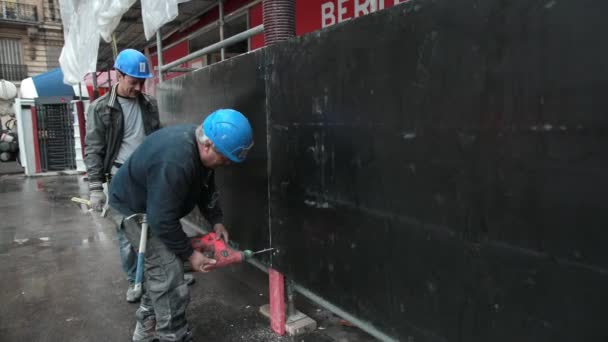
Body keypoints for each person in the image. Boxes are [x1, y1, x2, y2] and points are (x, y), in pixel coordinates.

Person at [108, 109, 254, 342]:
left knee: (161, 270)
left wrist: (216, 220)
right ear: (208, 146)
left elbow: (206, 186)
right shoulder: (176, 160)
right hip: (131, 207)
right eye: (226, 157)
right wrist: (190, 254)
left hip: (155, 205)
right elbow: (161, 220)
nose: (227, 163)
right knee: (169, 275)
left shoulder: (201, 148)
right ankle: (172, 336)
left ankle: (146, 328)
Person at [84, 48, 161, 303]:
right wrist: (95, 187)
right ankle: (134, 279)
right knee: (128, 234)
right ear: (118, 75)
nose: (138, 87)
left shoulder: (150, 104)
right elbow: (94, 148)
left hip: (149, 175)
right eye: (133, 81)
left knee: (159, 225)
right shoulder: (100, 109)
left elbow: (157, 139)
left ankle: (163, 273)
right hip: (120, 176)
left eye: (142, 82)